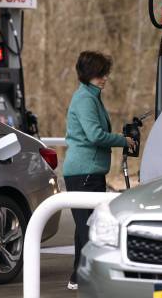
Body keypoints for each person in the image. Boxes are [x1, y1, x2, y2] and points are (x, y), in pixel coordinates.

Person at [63, 51, 135, 290]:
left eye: (105, 73)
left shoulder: (91, 96)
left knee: (83, 226)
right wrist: (123, 140)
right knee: (89, 228)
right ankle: (92, 280)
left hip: (88, 171)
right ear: (88, 74)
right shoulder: (85, 98)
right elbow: (94, 135)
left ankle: (77, 276)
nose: (104, 78)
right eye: (100, 74)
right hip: (83, 172)